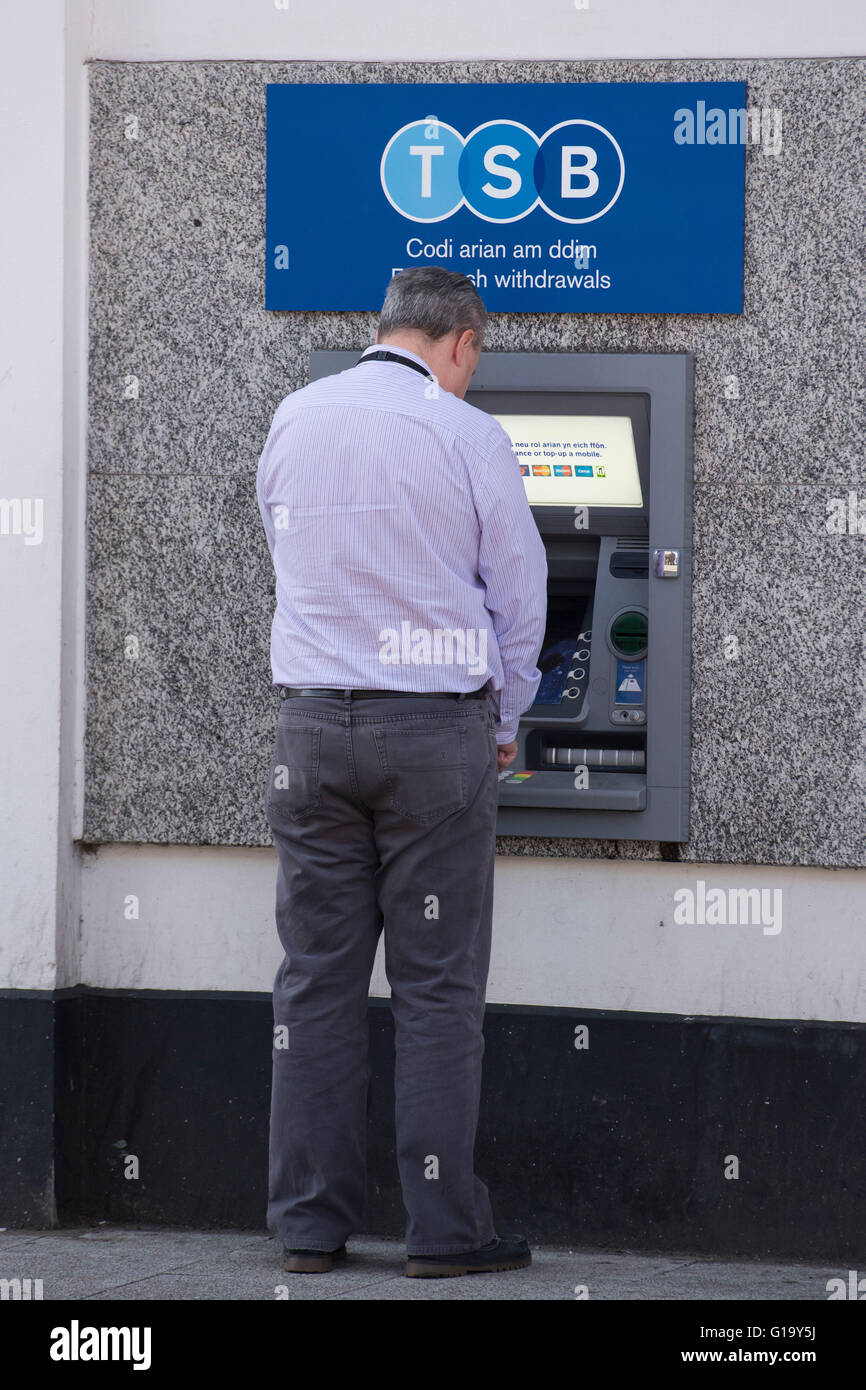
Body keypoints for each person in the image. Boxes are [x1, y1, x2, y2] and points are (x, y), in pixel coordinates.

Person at [256, 265, 547, 1278]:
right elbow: (517, 594)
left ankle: (307, 1225)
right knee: (433, 988)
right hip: (430, 740)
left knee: (315, 983)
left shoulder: (296, 416)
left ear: (384, 326)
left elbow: (285, 557)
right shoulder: (464, 433)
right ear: (460, 341)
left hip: (309, 732)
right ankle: (441, 1232)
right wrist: (506, 716)